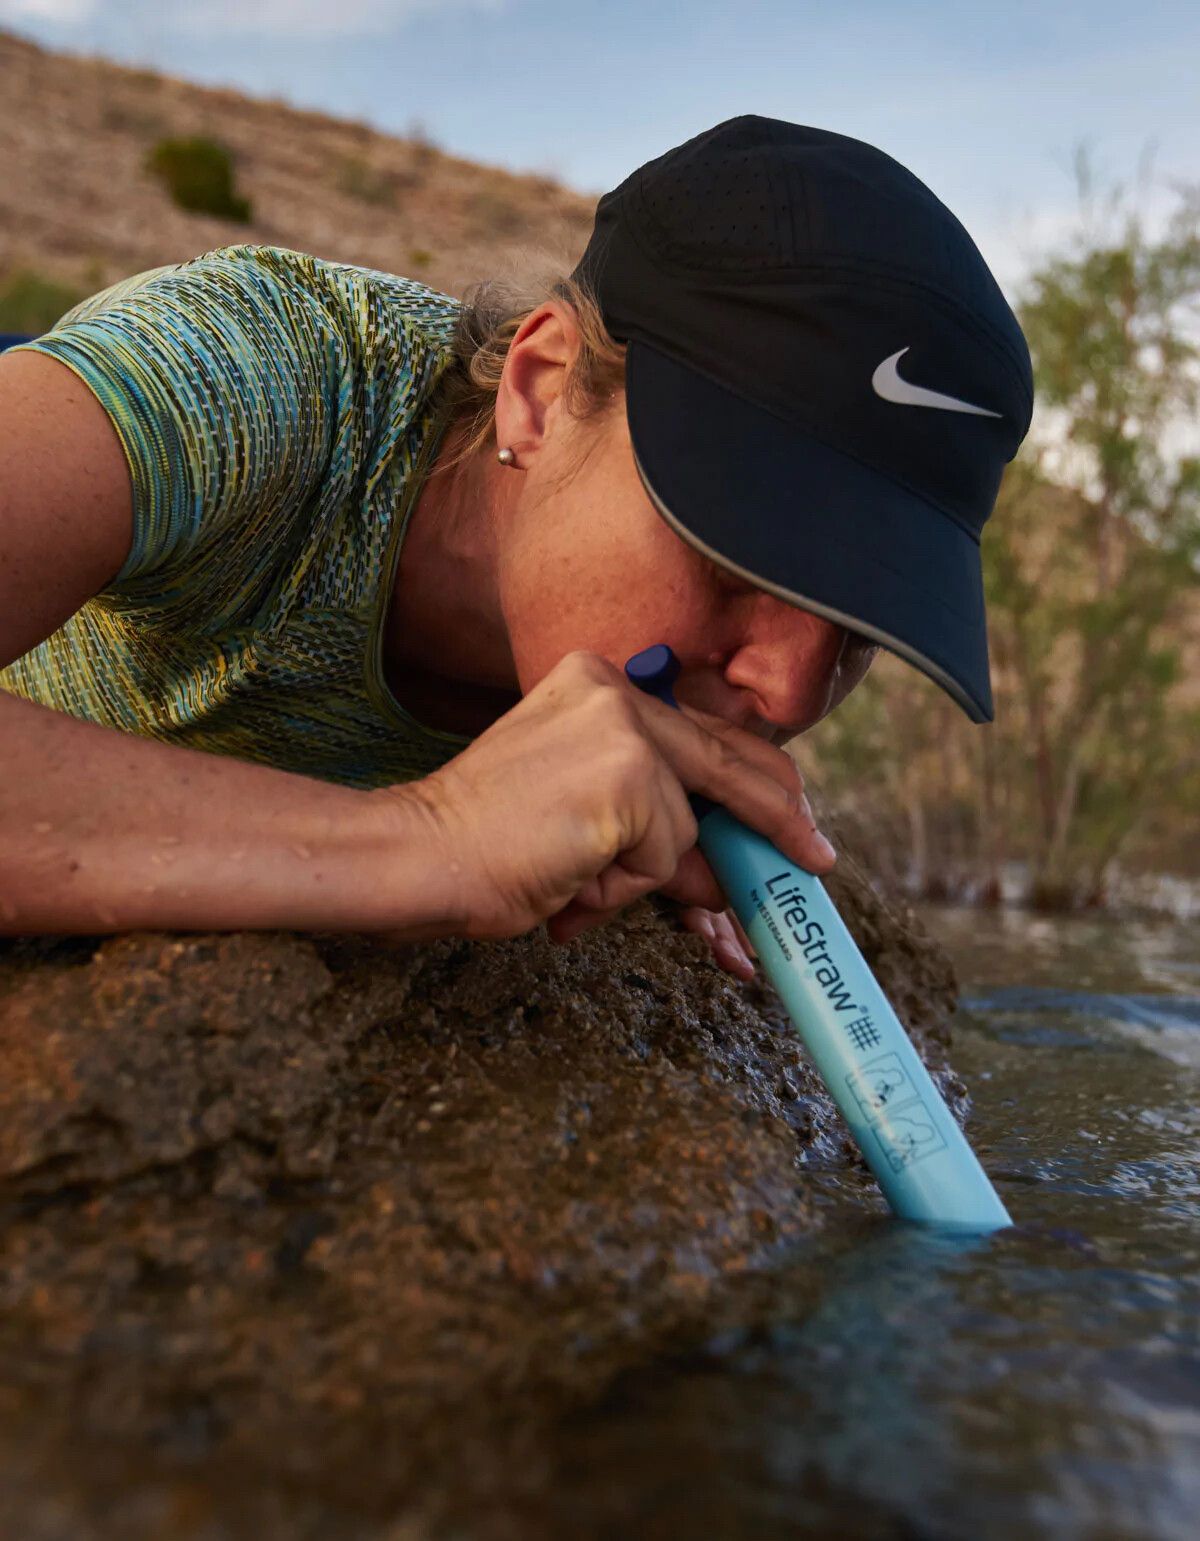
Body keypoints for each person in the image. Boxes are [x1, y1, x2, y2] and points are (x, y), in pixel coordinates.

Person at [0, 116, 1032, 979]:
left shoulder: (655, 716)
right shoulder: (254, 382)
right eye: (740, 557)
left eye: (858, 626)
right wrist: (432, 837)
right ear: (539, 389)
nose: (791, 692)